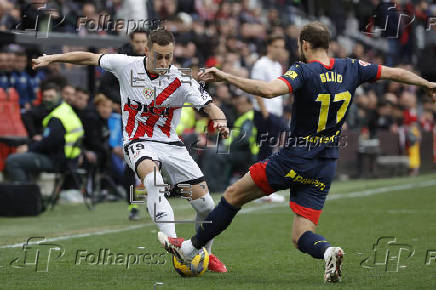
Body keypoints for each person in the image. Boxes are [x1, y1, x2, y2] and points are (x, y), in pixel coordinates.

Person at [157, 22, 436, 283]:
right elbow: (395, 72)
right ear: (329, 44)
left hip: (294, 158)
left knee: (233, 196)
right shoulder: (352, 67)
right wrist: (427, 84)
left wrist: (225, 76)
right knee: (302, 234)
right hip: (325, 163)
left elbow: (267, 91)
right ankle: (328, 252)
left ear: (304, 45)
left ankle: (191, 249)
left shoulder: (303, 71)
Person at [32, 29, 230, 273]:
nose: (164, 62)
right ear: (146, 51)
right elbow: (89, 58)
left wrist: (220, 121)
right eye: (159, 56)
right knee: (153, 181)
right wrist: (52, 58)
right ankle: (174, 240)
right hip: (138, 140)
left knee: (207, 207)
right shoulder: (127, 65)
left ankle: (204, 255)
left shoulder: (181, 79)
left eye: (169, 56)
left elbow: (210, 105)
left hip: (170, 143)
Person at [4, 82, 83, 183]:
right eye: (45, 96)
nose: (47, 99)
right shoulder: (66, 110)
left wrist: (29, 148)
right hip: (69, 159)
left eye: (51, 96)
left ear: (59, 95)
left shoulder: (57, 117)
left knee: (13, 160)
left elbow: (49, 143)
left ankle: (22, 196)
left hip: (57, 160)